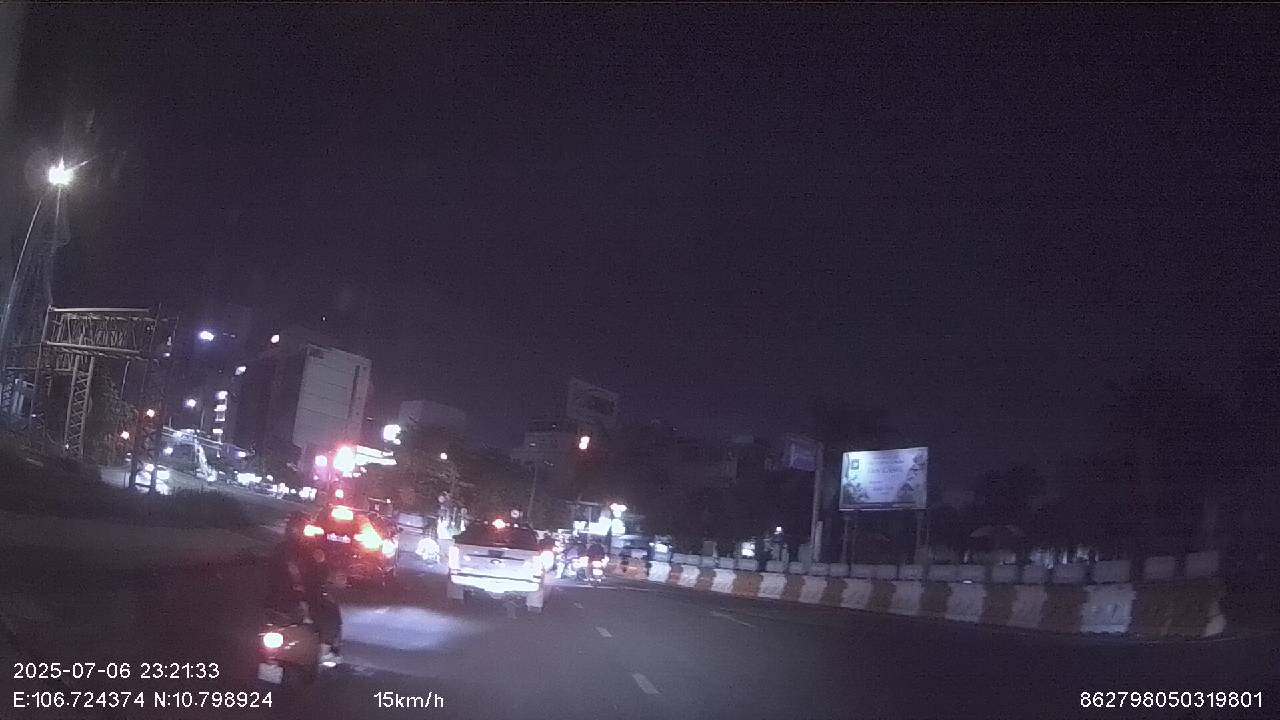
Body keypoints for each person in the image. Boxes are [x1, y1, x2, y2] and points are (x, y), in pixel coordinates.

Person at [264, 513, 343, 664]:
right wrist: (322, 565)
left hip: (274, 603)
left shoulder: (278, 548)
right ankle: (325, 652)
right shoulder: (308, 553)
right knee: (331, 614)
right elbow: (318, 576)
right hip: (298, 603)